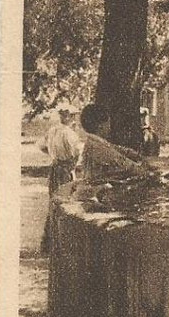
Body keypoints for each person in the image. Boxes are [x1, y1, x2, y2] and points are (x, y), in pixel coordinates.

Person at [39, 103, 82, 254]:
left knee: (55, 201)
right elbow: (75, 154)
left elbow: (42, 146)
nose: (72, 118)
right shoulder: (69, 134)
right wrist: (71, 165)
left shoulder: (52, 131)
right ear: (68, 117)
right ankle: (61, 243)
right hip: (65, 170)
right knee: (66, 203)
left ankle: (49, 242)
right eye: (71, 115)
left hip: (55, 168)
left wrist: (54, 156)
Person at [77, 102, 147, 191]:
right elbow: (130, 167)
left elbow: (117, 149)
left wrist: (134, 154)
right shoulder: (99, 148)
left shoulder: (93, 142)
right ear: (100, 126)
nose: (110, 127)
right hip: (98, 193)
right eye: (108, 123)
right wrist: (146, 168)